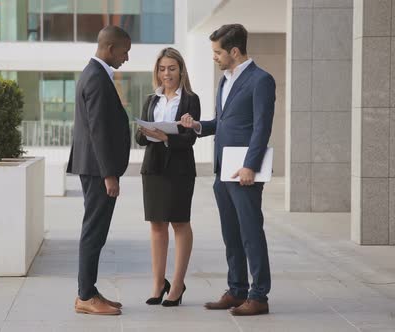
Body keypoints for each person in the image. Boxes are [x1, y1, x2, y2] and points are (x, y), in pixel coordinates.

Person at [180, 24, 275, 316]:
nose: (215, 57)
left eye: (218, 52)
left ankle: (259, 295)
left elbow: (262, 127)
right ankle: (237, 290)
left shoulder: (261, 80)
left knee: (250, 233)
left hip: (243, 171)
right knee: (231, 234)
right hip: (223, 170)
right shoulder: (225, 80)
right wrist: (198, 126)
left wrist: (250, 165)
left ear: (234, 51)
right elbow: (223, 123)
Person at [66, 25, 131, 316]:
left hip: (94, 167)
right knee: (94, 232)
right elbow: (99, 131)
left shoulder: (95, 74)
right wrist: (109, 174)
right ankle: (85, 296)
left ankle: (89, 290)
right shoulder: (95, 77)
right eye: (124, 52)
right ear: (110, 49)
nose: (126, 58)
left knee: (96, 231)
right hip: (97, 169)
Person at [135, 47, 201, 307]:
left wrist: (167, 138)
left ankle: (177, 284)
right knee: (156, 225)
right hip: (153, 167)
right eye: (162, 69)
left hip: (180, 168)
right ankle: (157, 283)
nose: (166, 74)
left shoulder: (190, 100)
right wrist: (146, 131)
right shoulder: (152, 99)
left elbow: (191, 137)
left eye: (171, 68)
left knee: (180, 223)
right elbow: (139, 137)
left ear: (181, 70)